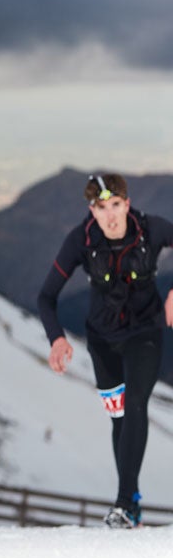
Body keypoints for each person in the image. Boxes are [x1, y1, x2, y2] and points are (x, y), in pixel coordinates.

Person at [37, 173, 173, 528]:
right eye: (101, 208)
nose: (110, 215)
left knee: (136, 404)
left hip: (145, 332)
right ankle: (133, 501)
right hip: (102, 341)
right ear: (91, 211)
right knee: (118, 418)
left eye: (116, 205)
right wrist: (57, 338)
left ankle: (125, 505)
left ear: (127, 204)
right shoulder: (80, 241)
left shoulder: (151, 229)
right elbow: (46, 297)